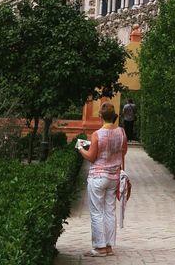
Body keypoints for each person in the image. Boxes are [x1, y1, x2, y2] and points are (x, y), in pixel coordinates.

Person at [77, 101, 127, 257]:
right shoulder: (122, 132)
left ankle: (99, 248)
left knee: (97, 212)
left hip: (98, 177)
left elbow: (91, 157)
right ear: (115, 117)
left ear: (100, 116)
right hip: (113, 177)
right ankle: (108, 246)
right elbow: (122, 152)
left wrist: (80, 149)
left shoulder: (97, 134)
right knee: (110, 211)